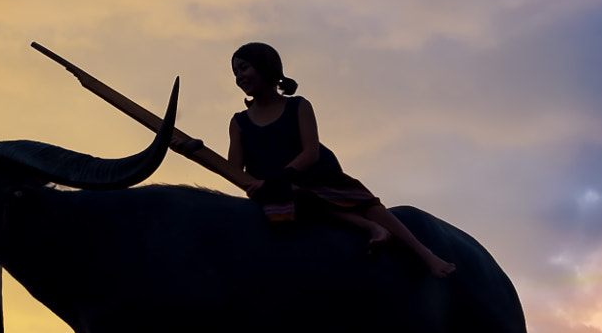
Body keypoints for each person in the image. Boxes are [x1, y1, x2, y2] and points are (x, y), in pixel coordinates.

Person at [174, 43, 457, 278]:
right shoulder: (239, 122)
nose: (239, 77)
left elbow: (310, 152)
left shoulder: (298, 106)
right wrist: (194, 151)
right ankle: (369, 228)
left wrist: (282, 177)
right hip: (274, 191)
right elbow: (233, 170)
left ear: (265, 67)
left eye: (244, 68)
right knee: (294, 200)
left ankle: (425, 254)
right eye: (235, 72)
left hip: (313, 177)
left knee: (368, 204)